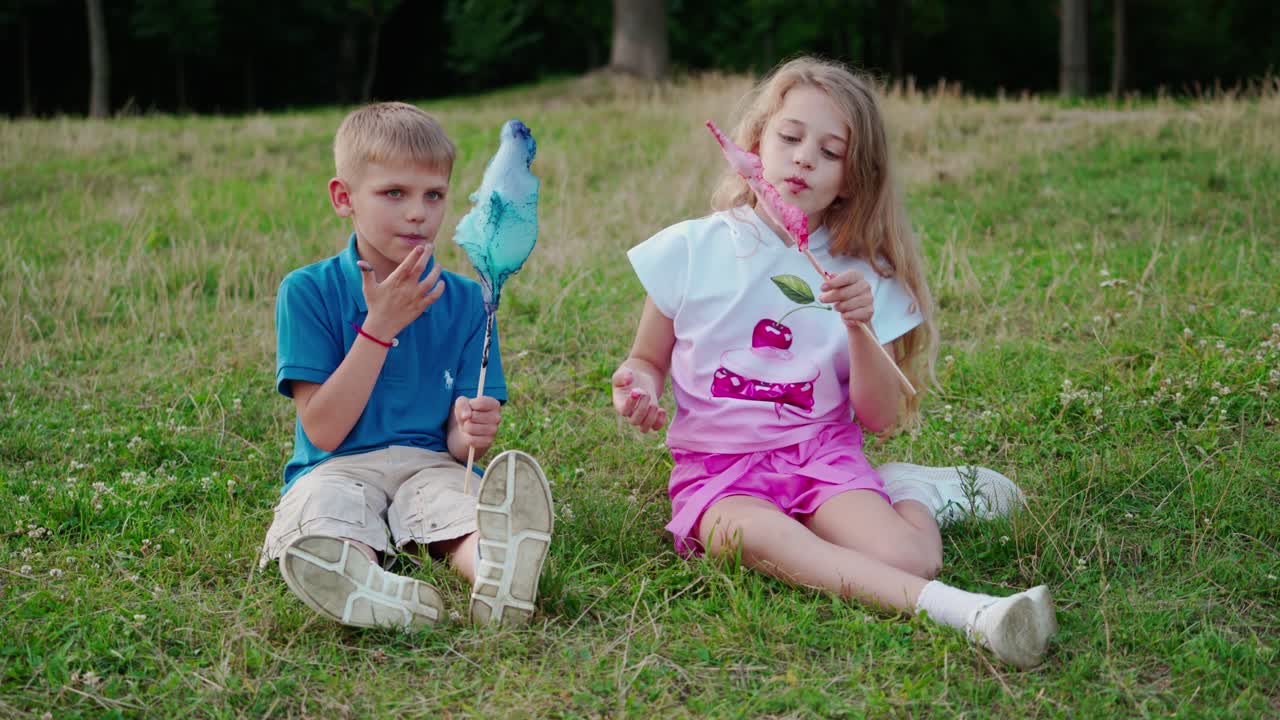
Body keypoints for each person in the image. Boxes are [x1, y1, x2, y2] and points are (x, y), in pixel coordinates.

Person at [610, 58, 1056, 669]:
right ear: (756, 143)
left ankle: (911, 492)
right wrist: (637, 386)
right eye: (789, 138)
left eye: (828, 151)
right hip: (718, 472)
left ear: (851, 177)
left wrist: (859, 326)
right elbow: (646, 359)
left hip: (820, 454)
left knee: (909, 556)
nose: (802, 159)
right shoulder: (692, 248)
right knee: (745, 537)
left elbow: (878, 416)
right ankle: (961, 611)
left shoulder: (862, 274)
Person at [261, 102, 553, 630]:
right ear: (343, 198)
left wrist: (473, 433)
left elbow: (457, 448)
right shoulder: (307, 292)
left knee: (457, 502)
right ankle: (366, 584)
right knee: (328, 508)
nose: (418, 212)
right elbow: (324, 429)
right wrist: (379, 328)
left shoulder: (469, 301)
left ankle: (497, 569)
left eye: (433, 195)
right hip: (338, 464)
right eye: (394, 193)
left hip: (429, 463)